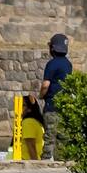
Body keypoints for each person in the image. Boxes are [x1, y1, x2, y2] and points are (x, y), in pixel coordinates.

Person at [39, 33, 72, 162]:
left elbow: (45, 84)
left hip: (51, 105)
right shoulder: (68, 64)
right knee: (62, 136)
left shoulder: (51, 64)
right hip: (64, 105)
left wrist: (41, 95)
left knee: (49, 135)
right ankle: (61, 159)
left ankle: (46, 159)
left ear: (52, 48)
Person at [19, 93, 45, 161]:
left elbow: (31, 145)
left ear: (29, 109)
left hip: (28, 161)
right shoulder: (35, 121)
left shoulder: (28, 122)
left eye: (23, 105)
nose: (19, 107)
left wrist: (35, 166)